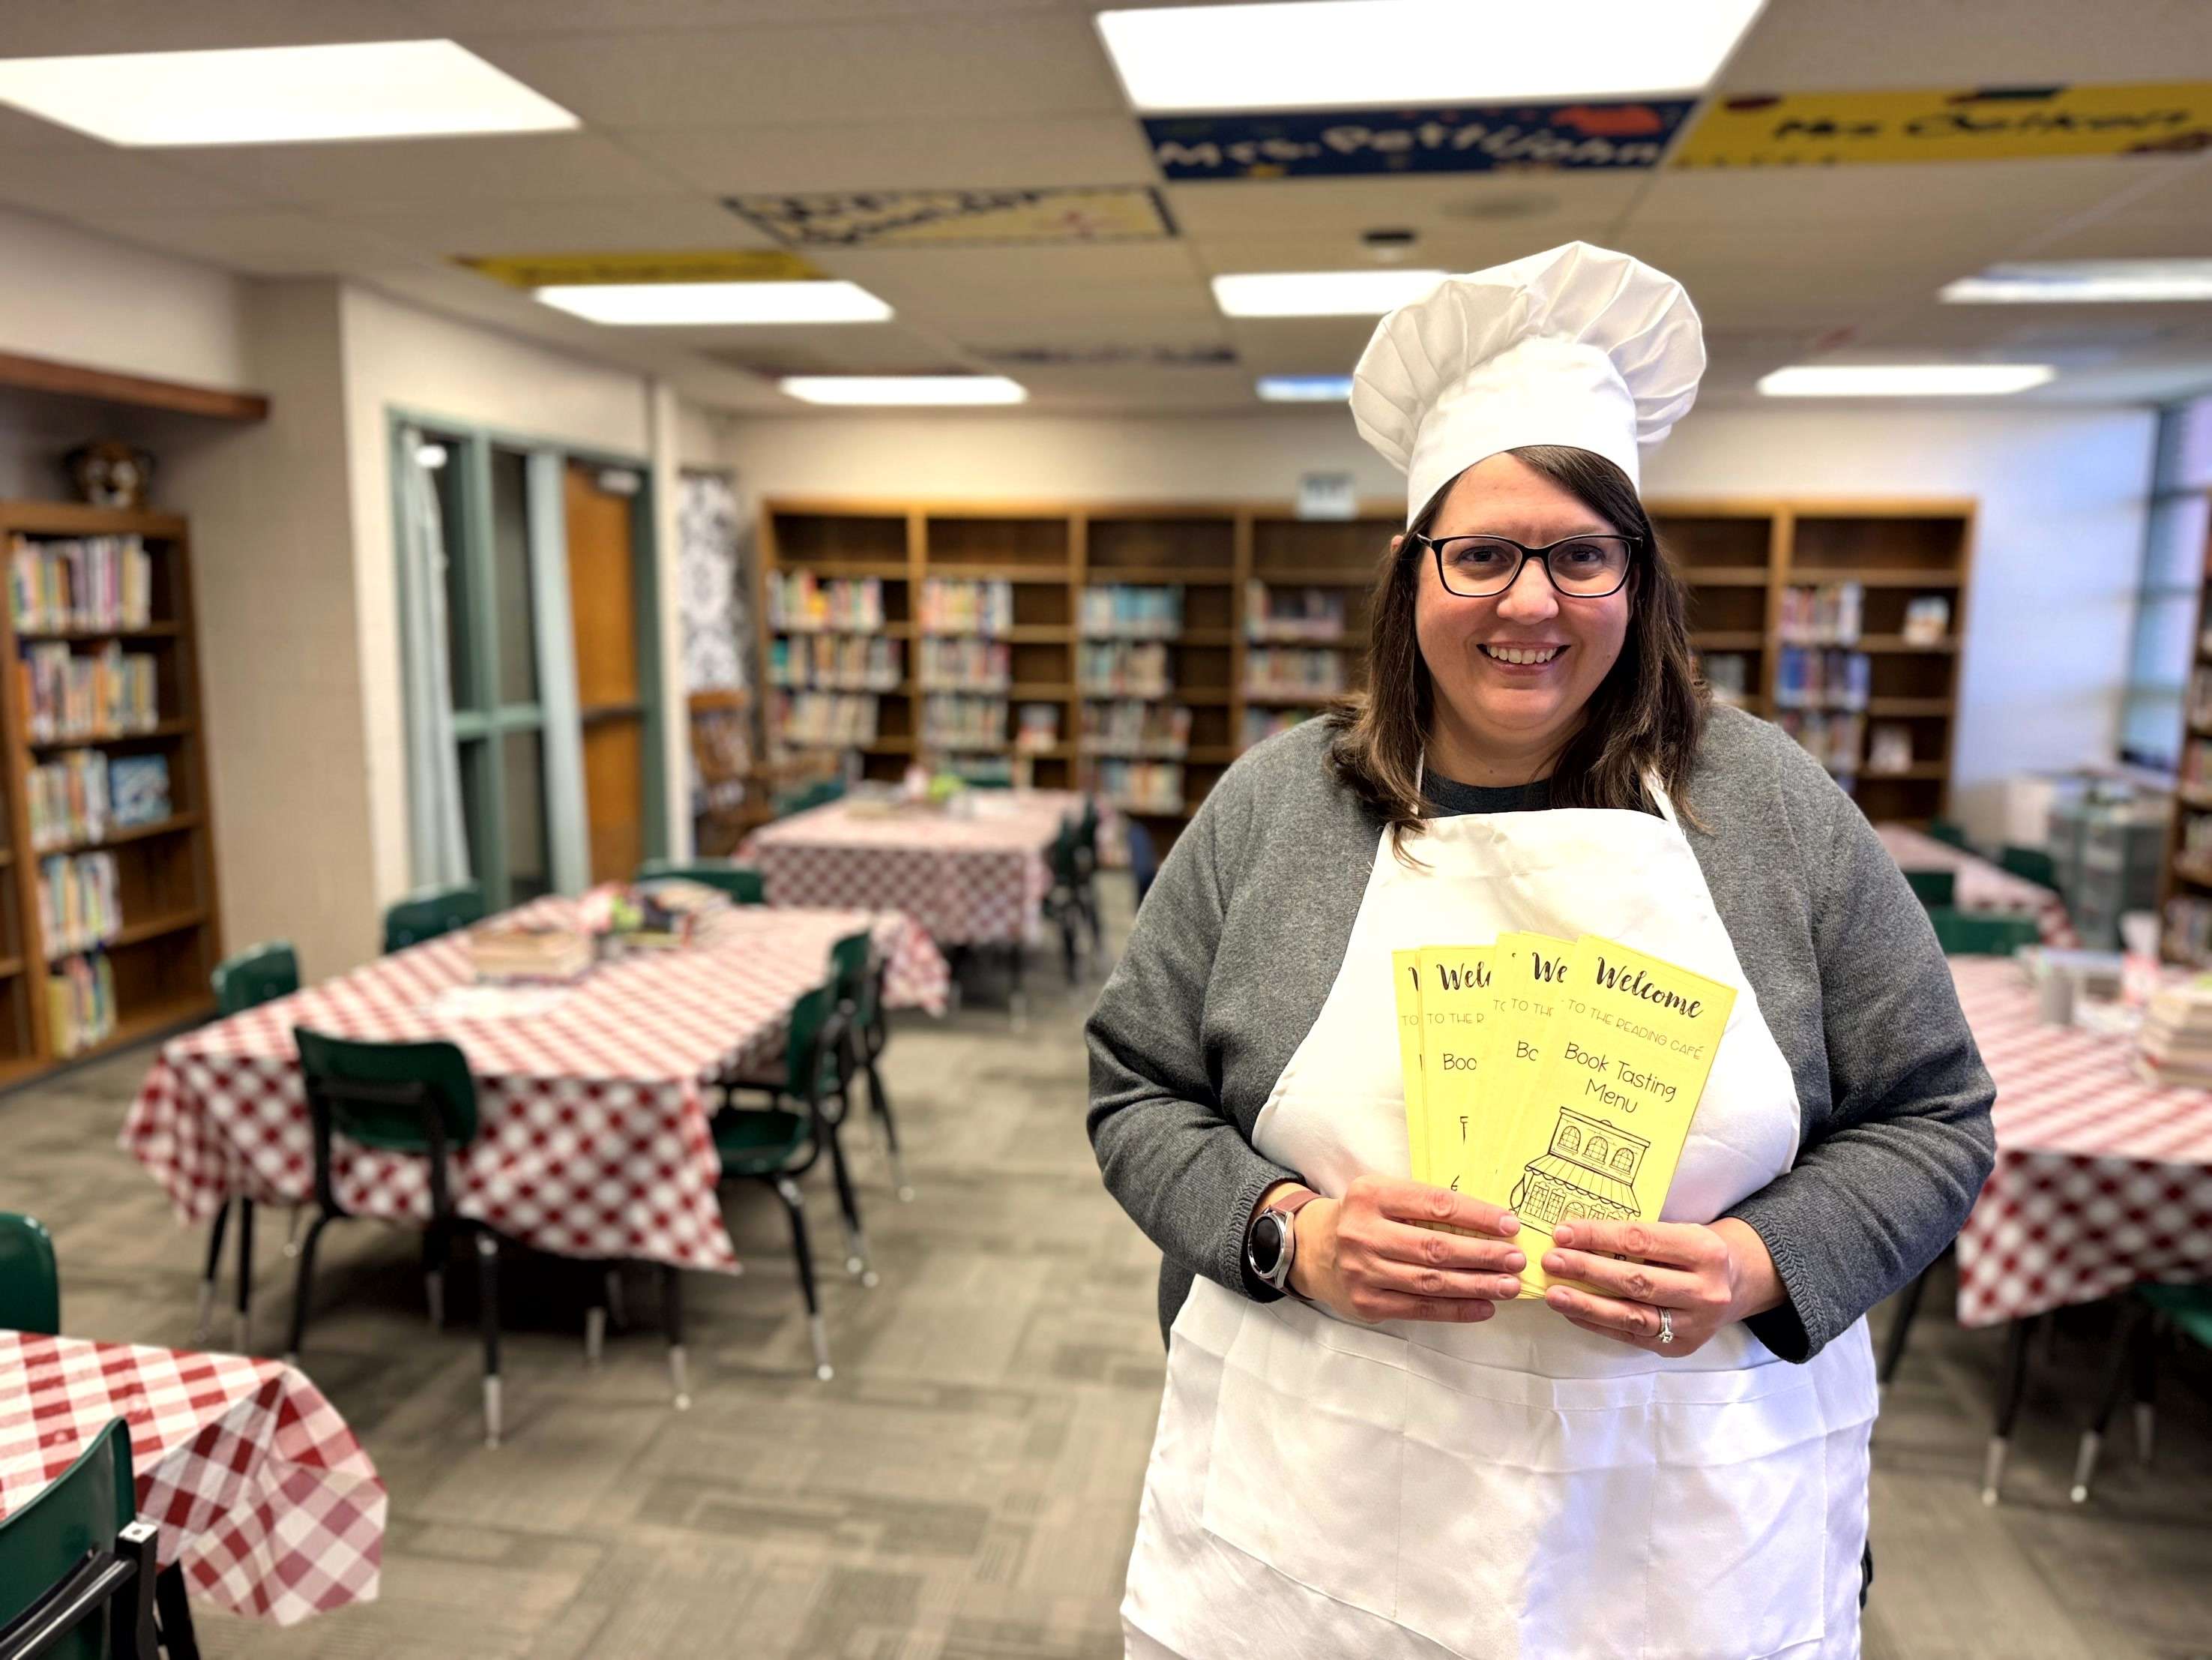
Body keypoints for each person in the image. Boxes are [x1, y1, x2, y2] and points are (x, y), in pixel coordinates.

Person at [1085, 241, 1996, 1660]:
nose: (1531, 602)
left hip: (1681, 1511)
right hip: (1324, 1497)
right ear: (1411, 573)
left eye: (1582, 553)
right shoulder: (1277, 804)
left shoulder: (1774, 811)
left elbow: (1936, 1116)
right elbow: (1136, 1087)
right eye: (1485, 552)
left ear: (1638, 578)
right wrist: (1290, 1229)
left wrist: (1759, 1260)